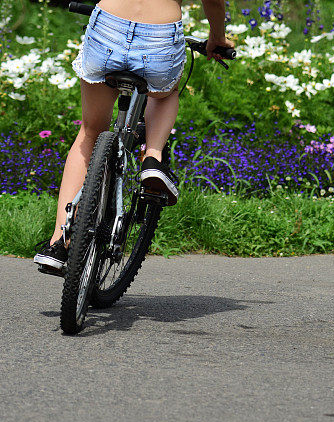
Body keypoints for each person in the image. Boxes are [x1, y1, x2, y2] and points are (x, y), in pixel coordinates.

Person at [34, 0, 234, 273]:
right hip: (159, 35)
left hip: (108, 25)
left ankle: (59, 243)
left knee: (90, 133)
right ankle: (152, 157)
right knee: (165, 94)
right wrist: (217, 37)